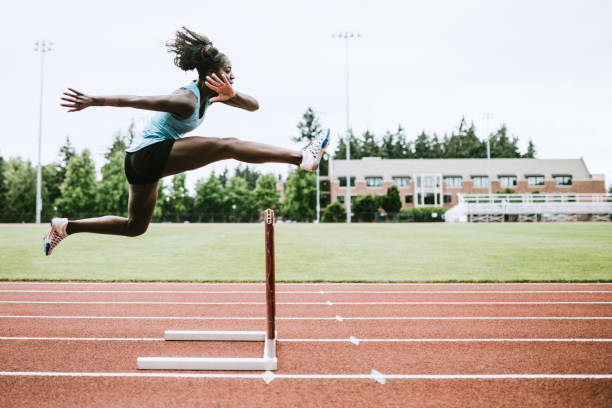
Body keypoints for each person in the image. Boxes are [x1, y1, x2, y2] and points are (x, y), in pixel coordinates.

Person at [43, 27, 329, 256]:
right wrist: (94, 100)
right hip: (147, 153)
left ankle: (65, 227)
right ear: (211, 73)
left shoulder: (212, 95)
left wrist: (233, 95)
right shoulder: (188, 98)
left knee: (135, 227)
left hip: (139, 161)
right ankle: (301, 157)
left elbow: (254, 106)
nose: (232, 75)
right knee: (226, 145)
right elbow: (140, 100)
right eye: (228, 70)